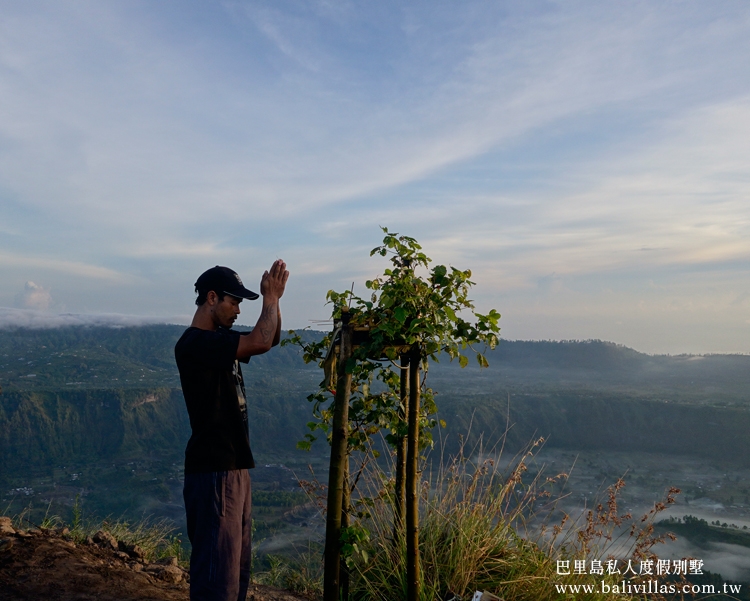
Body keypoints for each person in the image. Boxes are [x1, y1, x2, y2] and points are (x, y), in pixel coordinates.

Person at [175, 260, 289, 601]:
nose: (238, 310)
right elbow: (260, 341)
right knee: (217, 575)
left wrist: (276, 301)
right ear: (212, 298)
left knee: (235, 568)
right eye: (234, 301)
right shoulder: (196, 343)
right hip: (214, 471)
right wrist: (269, 300)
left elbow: (271, 337)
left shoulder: (219, 340)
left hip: (233, 468)